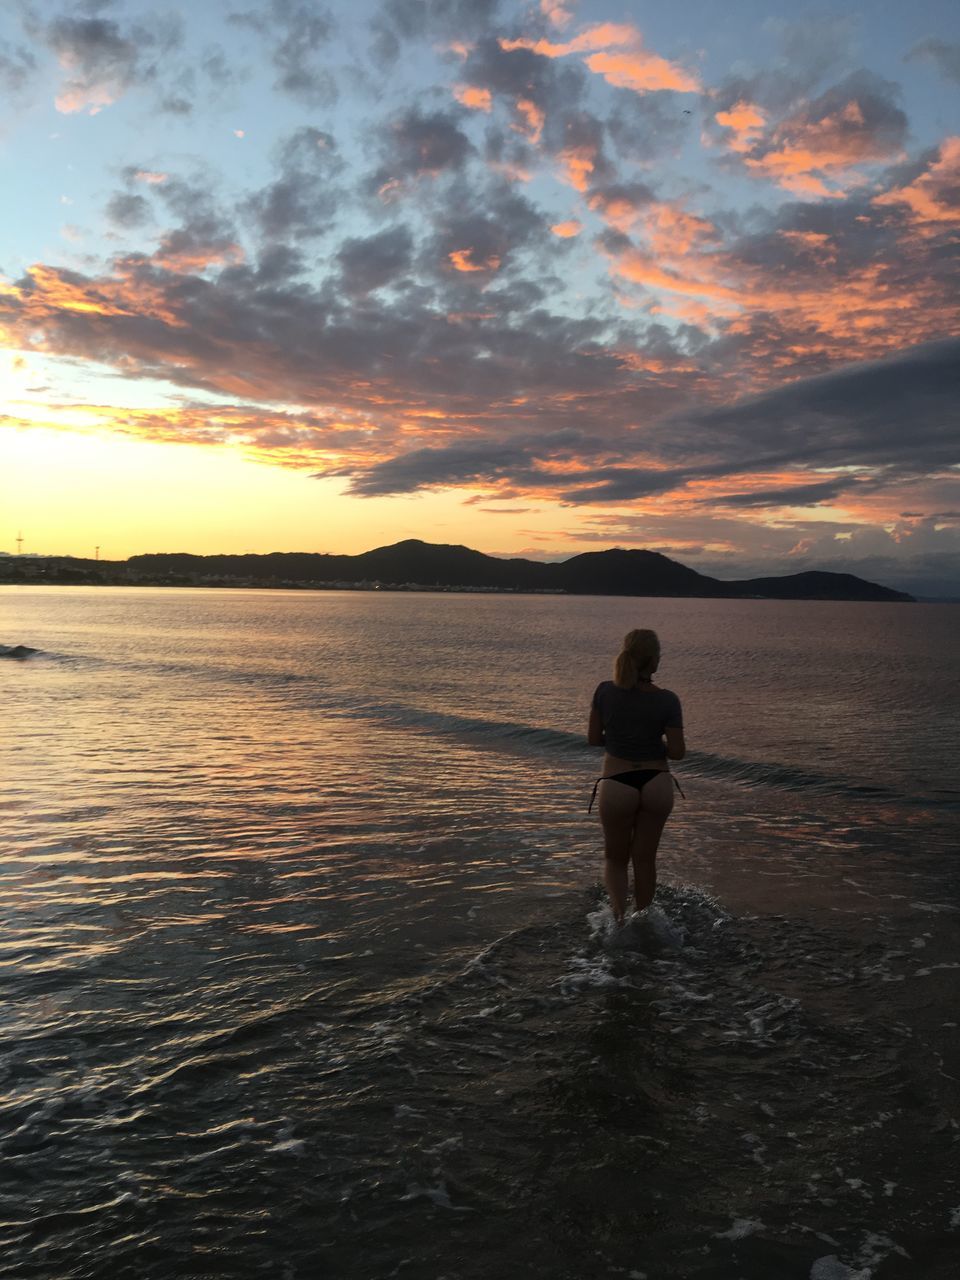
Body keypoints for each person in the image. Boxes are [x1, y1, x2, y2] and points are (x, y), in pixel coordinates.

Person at [587, 628, 685, 924]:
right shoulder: (668, 700)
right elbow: (678, 752)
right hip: (656, 782)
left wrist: (620, 740)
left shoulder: (604, 691)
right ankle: (643, 921)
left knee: (616, 858)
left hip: (617, 783)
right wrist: (652, 744)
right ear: (653, 662)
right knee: (644, 860)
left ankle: (617, 923)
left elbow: (593, 738)